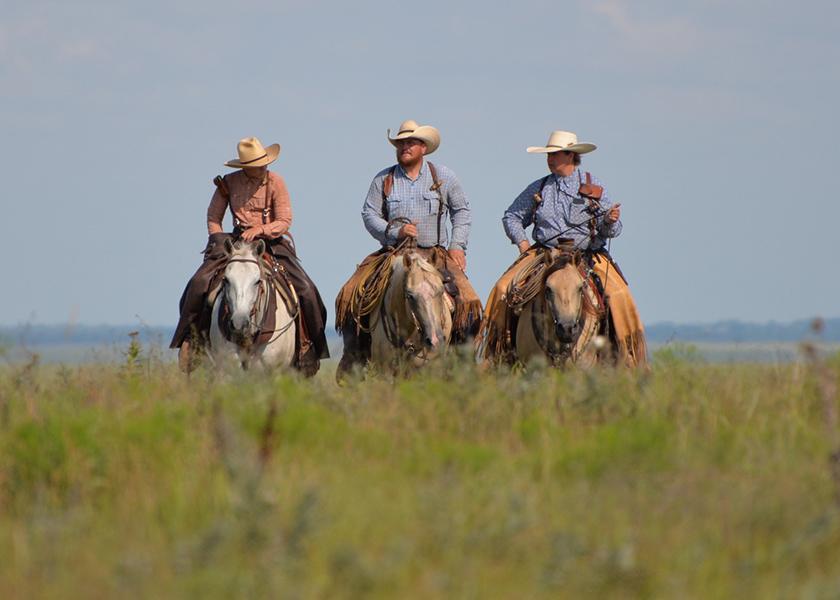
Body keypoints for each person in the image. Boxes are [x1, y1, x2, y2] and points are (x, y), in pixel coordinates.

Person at [476, 130, 647, 366]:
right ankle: (500, 352)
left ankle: (627, 357)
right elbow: (512, 216)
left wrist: (609, 220)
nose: (550, 158)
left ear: (571, 155)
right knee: (503, 287)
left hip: (587, 255)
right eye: (549, 154)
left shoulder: (593, 186)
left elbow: (613, 231)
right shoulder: (539, 188)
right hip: (544, 253)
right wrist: (522, 242)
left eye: (555, 154)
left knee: (618, 295)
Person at [170, 136, 329, 374]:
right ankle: (192, 343)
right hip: (236, 242)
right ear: (245, 166)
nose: (263, 166)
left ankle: (309, 347)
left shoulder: (276, 182)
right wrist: (217, 240)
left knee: (306, 288)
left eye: (264, 161)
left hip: (271, 242)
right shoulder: (229, 183)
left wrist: (261, 230)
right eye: (257, 163)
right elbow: (214, 217)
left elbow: (284, 220)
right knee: (199, 282)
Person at [335, 120, 482, 375]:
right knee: (350, 293)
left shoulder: (443, 176)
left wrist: (458, 246)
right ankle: (354, 358)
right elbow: (369, 214)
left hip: (435, 253)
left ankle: (463, 363)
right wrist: (395, 232)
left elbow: (462, 211)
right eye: (401, 143)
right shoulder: (384, 179)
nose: (405, 147)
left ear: (423, 148)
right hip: (394, 254)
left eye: (411, 142)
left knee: (469, 301)